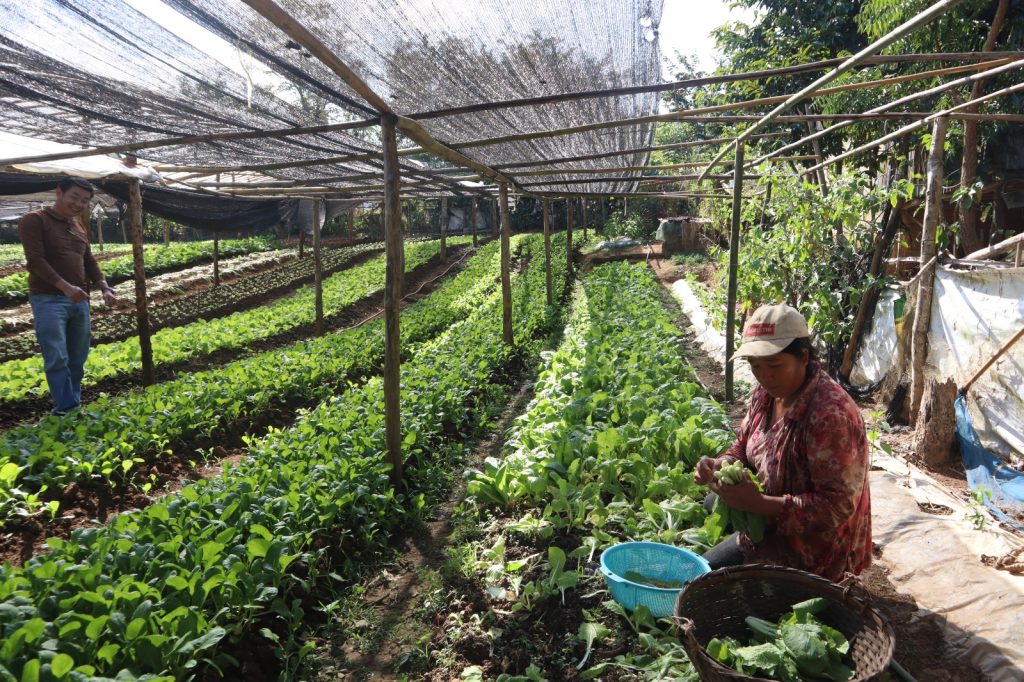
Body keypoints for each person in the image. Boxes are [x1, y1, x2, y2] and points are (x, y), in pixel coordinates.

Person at [694, 303, 871, 582]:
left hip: (814, 548)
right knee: (712, 501)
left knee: (705, 578)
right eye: (755, 366)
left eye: (774, 365)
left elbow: (836, 508)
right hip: (767, 513)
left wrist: (759, 504)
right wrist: (722, 464)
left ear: (803, 357)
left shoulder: (830, 416)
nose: (764, 377)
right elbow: (743, 445)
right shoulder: (766, 393)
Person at [18, 177, 116, 415]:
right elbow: (35, 261)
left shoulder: (78, 225)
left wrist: (104, 286)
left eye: (84, 201)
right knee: (57, 356)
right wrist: (65, 287)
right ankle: (66, 409)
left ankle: (72, 406)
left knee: (77, 357)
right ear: (59, 192)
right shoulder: (35, 220)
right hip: (49, 299)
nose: (79, 204)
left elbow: (88, 261)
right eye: (75, 197)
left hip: (79, 300)